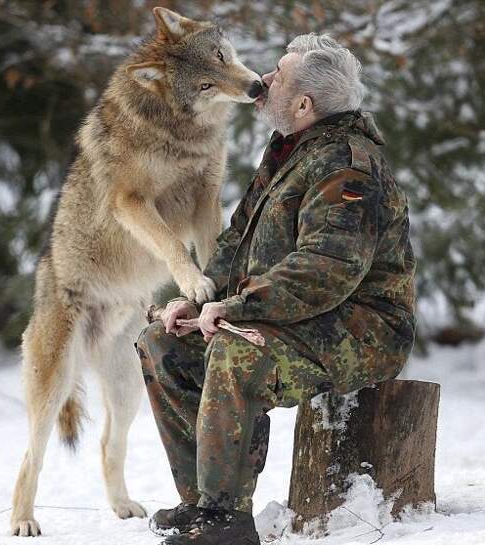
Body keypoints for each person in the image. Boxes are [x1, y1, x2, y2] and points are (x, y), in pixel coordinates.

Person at [136, 33, 416, 545]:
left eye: (278, 76)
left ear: (305, 103)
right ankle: (200, 502)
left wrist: (236, 309)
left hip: (364, 328)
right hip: (295, 315)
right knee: (163, 344)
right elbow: (235, 241)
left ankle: (227, 518)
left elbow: (325, 270)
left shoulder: (346, 164)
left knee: (234, 352)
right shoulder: (289, 149)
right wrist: (199, 298)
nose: (262, 80)